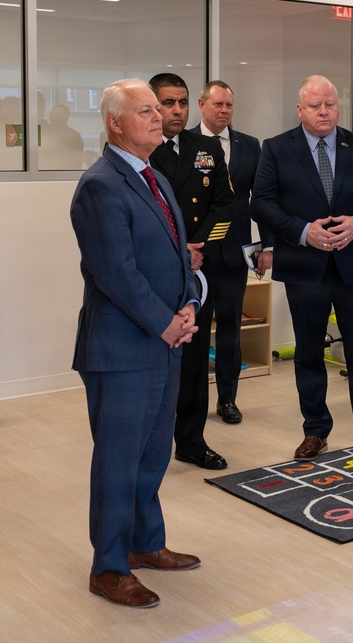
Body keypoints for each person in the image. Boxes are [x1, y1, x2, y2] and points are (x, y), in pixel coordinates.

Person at [71, 78, 202, 609]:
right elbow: (116, 274)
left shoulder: (155, 177)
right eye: (145, 110)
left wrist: (190, 302)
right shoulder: (100, 185)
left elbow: (179, 255)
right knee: (119, 460)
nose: (159, 116)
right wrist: (165, 322)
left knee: (153, 455)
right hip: (122, 349)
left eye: (160, 108)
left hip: (164, 342)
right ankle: (108, 567)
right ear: (115, 122)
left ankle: (146, 545)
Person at [250, 75, 353, 462]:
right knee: (309, 354)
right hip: (305, 267)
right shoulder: (277, 148)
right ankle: (315, 431)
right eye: (314, 105)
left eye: (329, 104)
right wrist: (302, 231)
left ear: (338, 106)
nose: (323, 111)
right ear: (300, 109)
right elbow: (262, 203)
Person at [149, 73, 234, 470]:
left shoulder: (207, 147)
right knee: (154, 358)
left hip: (198, 269)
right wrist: (180, 250)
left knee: (196, 358)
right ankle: (149, 441)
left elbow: (223, 205)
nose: (177, 110)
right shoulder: (141, 148)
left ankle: (191, 440)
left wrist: (199, 248)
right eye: (168, 103)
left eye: (182, 102)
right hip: (156, 269)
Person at [188, 80, 273, 424]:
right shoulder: (187, 144)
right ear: (202, 105)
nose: (224, 111)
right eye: (218, 105)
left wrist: (267, 245)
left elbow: (262, 199)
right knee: (194, 330)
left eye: (229, 106)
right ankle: (192, 400)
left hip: (236, 252)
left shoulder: (250, 146)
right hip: (198, 253)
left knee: (229, 329)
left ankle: (227, 400)